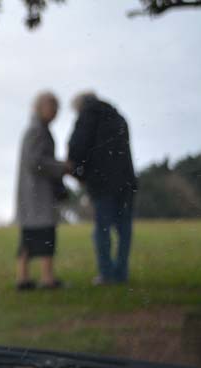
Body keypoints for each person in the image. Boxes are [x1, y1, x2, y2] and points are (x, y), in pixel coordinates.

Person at [67, 91, 137, 285]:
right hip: (126, 181)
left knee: (102, 229)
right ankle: (121, 273)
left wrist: (78, 174)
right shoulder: (118, 117)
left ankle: (106, 274)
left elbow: (77, 148)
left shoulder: (87, 116)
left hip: (103, 183)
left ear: (79, 106)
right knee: (124, 229)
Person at [15, 91, 70, 291]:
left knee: (30, 236)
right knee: (44, 235)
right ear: (40, 107)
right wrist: (61, 167)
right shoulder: (37, 131)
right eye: (52, 106)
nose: (55, 111)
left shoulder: (37, 129)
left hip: (33, 196)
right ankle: (45, 278)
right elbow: (35, 162)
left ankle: (24, 278)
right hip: (38, 195)